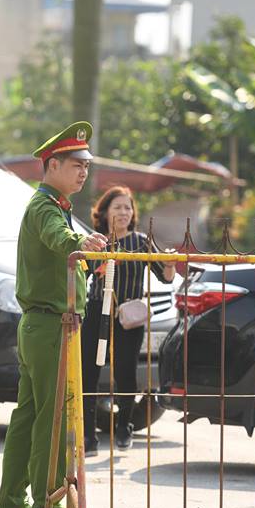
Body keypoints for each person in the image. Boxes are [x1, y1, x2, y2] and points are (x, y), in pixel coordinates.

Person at [0, 121, 108, 508]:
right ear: (53, 164)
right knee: (53, 418)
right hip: (49, 326)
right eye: (76, 164)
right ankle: (50, 507)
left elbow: (64, 246)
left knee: (28, 415)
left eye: (86, 165)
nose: (83, 172)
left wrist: (86, 251)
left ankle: (12, 505)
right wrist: (77, 246)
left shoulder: (56, 205)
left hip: (40, 326)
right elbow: (57, 238)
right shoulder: (45, 207)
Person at [81, 186, 175, 456]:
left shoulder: (141, 241)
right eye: (117, 207)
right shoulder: (97, 242)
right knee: (89, 371)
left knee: (125, 371)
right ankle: (88, 435)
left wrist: (168, 262)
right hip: (98, 312)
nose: (123, 212)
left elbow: (165, 277)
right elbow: (80, 275)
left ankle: (124, 425)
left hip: (129, 317)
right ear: (104, 212)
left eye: (127, 207)